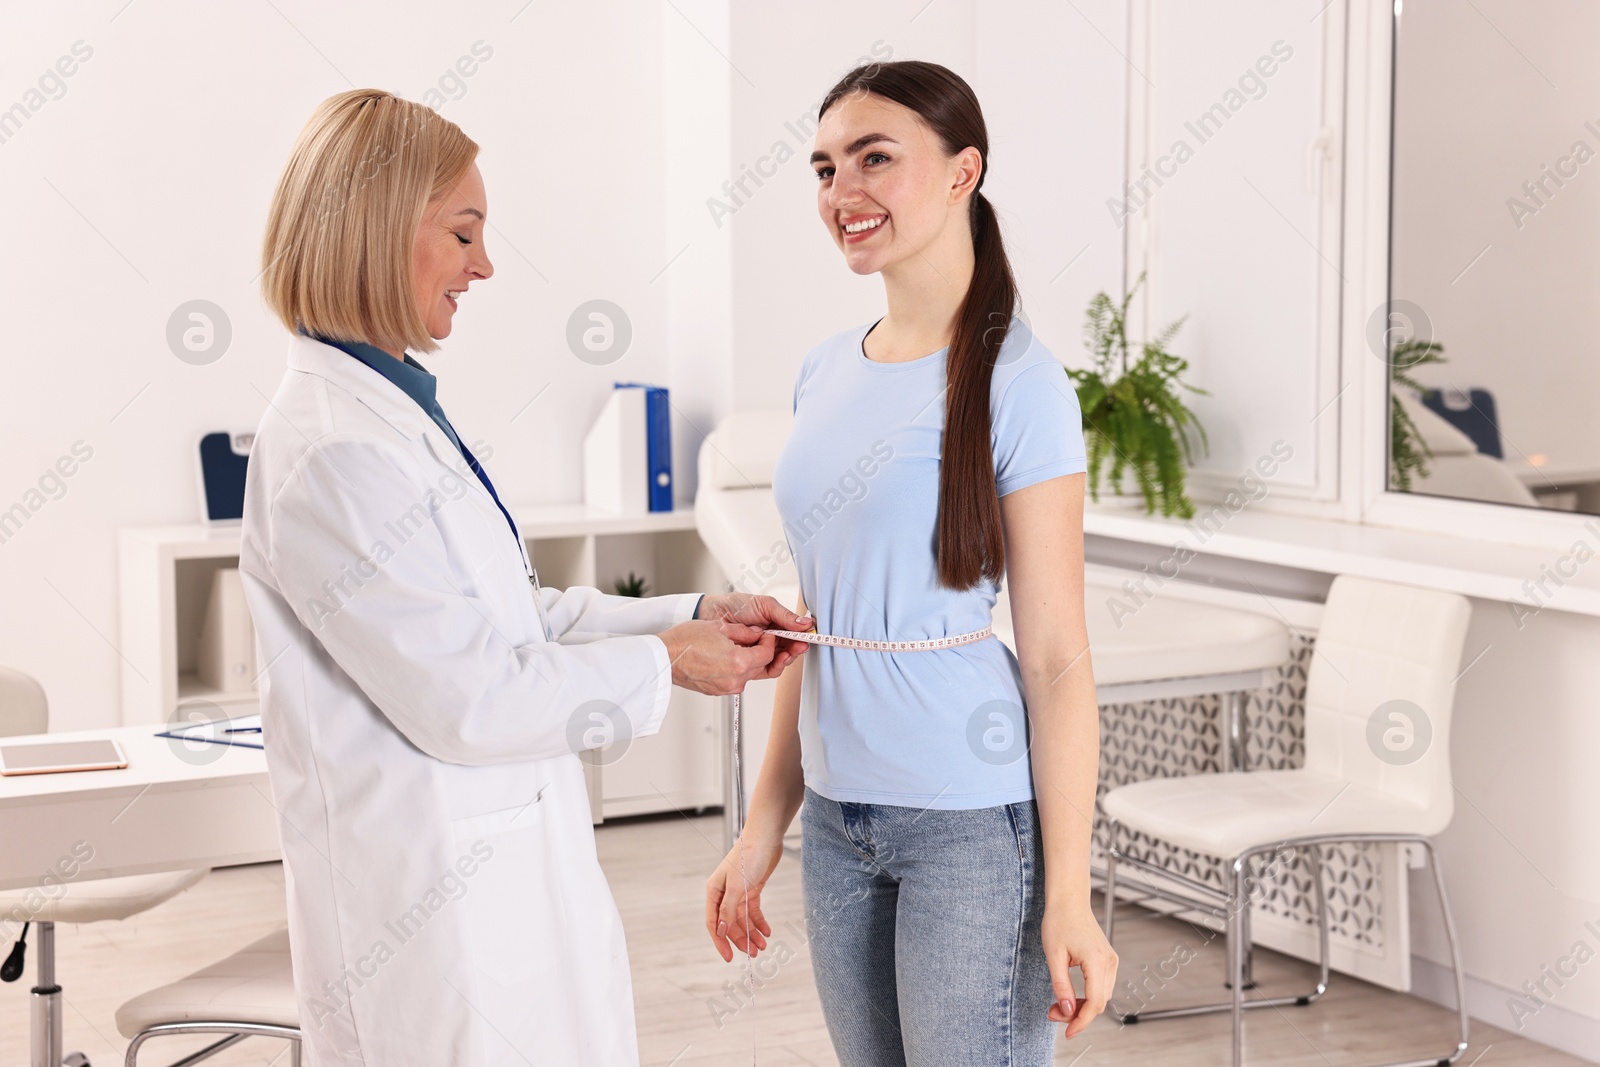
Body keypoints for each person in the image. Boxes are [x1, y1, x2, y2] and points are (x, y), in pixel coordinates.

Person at [239, 88, 808, 1067]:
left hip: (496, 878)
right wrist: (667, 661)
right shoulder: (335, 451)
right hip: (432, 914)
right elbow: (468, 697)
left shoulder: (390, 410)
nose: (485, 264)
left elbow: (507, 616)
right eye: (463, 232)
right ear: (376, 234)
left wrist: (691, 610)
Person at [703, 61, 1116, 1065]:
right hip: (840, 823)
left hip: (970, 828)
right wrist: (766, 822)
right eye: (823, 167)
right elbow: (820, 617)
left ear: (960, 171)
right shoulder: (825, 369)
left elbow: (1057, 656)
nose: (841, 193)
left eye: (874, 159)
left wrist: (1068, 891)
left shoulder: (1023, 383)